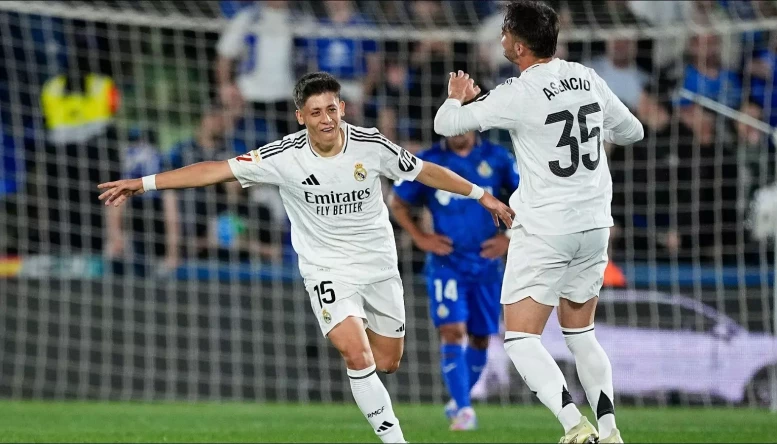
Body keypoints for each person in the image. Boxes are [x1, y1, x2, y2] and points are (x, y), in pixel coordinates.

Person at [98, 72, 514, 444]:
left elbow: (425, 171)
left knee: (388, 361)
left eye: (331, 109)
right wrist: (144, 183)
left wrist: (482, 195)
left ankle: (373, 371)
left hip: (378, 266)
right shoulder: (283, 156)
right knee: (356, 354)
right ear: (301, 117)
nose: (326, 119)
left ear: (342, 108)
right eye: (315, 112)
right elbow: (215, 170)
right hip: (325, 269)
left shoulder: (371, 145)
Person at [433, 1, 644, 443]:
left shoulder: (518, 93)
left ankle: (575, 426)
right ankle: (610, 431)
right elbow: (633, 132)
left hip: (547, 228)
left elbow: (445, 124)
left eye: (506, 30)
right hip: (594, 226)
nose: (501, 36)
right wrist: (593, 133)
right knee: (581, 334)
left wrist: (456, 94)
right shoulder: (586, 77)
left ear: (519, 46)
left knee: (521, 339)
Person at [390, 131, 519, 430]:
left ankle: (460, 399)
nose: (459, 131)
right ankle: (464, 409)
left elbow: (528, 196)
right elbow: (396, 201)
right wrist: (420, 237)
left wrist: (509, 238)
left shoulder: (498, 158)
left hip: (486, 264)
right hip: (446, 263)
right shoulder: (429, 160)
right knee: (452, 331)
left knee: (480, 337)